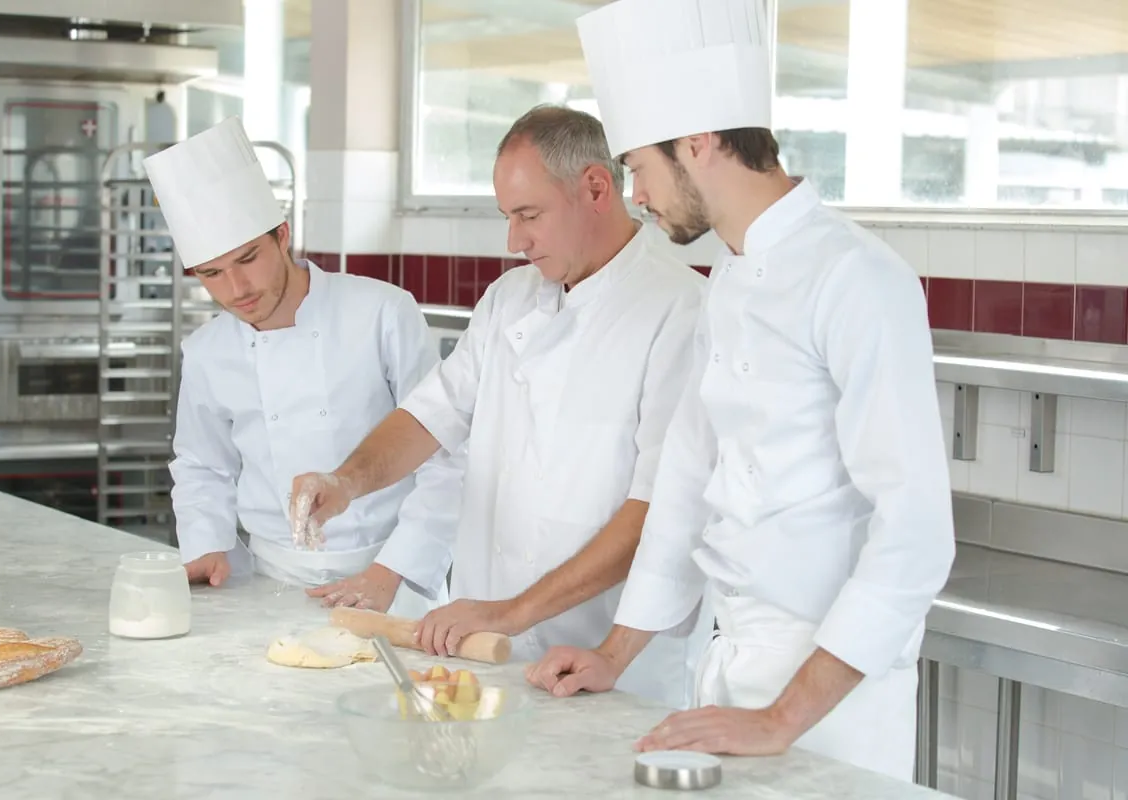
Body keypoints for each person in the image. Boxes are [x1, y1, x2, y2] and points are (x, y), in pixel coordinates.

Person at [525, 0, 955, 781]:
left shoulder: (858, 278)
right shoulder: (726, 274)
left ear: (698, 143)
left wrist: (783, 718)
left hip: (834, 694)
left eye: (639, 169)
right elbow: (686, 479)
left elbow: (917, 534)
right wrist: (615, 654)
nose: (636, 195)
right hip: (732, 663)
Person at [289, 105, 713, 709]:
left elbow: (657, 509)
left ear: (596, 187)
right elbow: (430, 415)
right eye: (507, 217)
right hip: (487, 649)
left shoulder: (682, 312)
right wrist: (346, 480)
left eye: (529, 215)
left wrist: (512, 612)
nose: (515, 242)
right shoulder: (508, 300)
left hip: (609, 666)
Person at [144, 116, 460, 618]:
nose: (236, 289)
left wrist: (394, 570)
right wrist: (206, 545)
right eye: (211, 274)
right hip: (269, 584)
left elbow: (446, 453)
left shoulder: (382, 312)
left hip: (393, 583)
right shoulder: (207, 350)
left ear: (282, 235)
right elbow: (203, 465)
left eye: (247, 259)